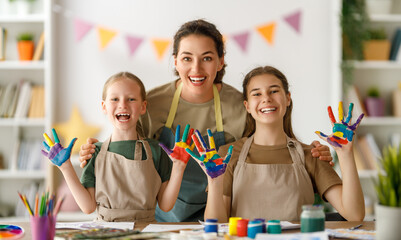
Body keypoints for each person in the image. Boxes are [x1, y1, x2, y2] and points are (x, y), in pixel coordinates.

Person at [78, 20, 334, 222]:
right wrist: (96, 152)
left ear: (221, 61)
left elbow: (269, 145)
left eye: (207, 58)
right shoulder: (150, 104)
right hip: (164, 216)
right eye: (187, 58)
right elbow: (131, 157)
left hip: (223, 213)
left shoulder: (241, 104)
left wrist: (308, 154)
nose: (197, 69)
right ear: (175, 61)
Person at [189, 66, 365, 222]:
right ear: (247, 106)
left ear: (287, 99)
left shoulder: (310, 154)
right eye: (256, 94)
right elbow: (216, 224)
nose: (266, 98)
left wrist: (345, 154)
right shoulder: (227, 154)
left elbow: (354, 214)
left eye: (273, 91)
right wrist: (214, 182)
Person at [42, 72, 189, 222]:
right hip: (106, 232)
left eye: (131, 99)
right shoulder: (95, 152)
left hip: (145, 231)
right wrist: (65, 167)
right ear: (104, 107)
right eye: (115, 99)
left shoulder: (156, 150)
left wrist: (179, 167)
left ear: (143, 107)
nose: (123, 105)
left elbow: (165, 205)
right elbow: (88, 207)